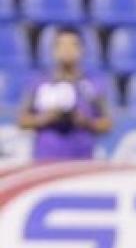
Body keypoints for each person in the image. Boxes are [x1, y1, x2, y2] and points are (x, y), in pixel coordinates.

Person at [18, 28, 112, 161]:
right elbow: (22, 121)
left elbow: (108, 124)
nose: (67, 50)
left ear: (82, 50)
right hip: (46, 158)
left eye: (72, 45)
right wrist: (45, 118)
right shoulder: (39, 83)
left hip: (81, 160)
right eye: (61, 45)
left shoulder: (94, 84)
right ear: (54, 50)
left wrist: (87, 122)